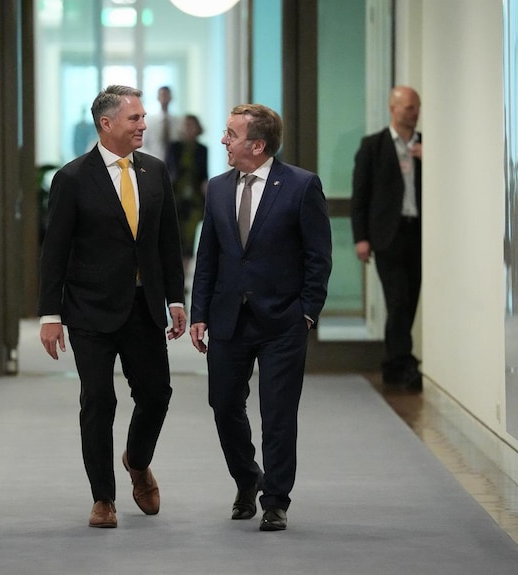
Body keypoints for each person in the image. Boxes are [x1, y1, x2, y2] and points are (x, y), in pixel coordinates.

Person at [38, 85, 187, 529]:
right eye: (134, 119)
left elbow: (167, 243)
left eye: (142, 118)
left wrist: (176, 299)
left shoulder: (156, 172)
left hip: (144, 307)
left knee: (157, 394)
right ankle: (104, 498)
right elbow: (54, 252)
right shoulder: (71, 179)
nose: (143, 125)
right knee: (99, 401)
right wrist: (50, 315)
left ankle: (137, 461)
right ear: (106, 124)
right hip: (89, 310)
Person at [189, 104, 332, 531]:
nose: (223, 141)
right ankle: (247, 478)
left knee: (278, 412)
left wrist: (307, 313)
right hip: (229, 318)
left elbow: (317, 257)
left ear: (258, 144)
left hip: (282, 321)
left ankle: (275, 499)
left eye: (230, 134)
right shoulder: (216, 189)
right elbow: (208, 257)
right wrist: (199, 313)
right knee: (224, 405)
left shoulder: (302, 186)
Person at [351, 85, 423, 392]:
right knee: (397, 300)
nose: (415, 113)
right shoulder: (373, 146)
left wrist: (429, 160)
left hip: (418, 233)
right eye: (408, 107)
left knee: (411, 300)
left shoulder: (425, 146)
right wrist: (361, 238)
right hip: (387, 236)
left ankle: (395, 363)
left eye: (417, 107)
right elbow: (361, 195)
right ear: (393, 109)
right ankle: (403, 361)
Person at [166, 114, 209, 260]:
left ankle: (185, 270)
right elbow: (169, 169)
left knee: (190, 235)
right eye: (186, 125)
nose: (188, 128)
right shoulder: (175, 147)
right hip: (176, 195)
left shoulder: (202, 149)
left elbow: (204, 174)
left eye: (191, 125)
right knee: (177, 235)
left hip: (195, 198)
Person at [141, 86, 182, 159]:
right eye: (162, 95)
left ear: (171, 97)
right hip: (154, 160)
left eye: (167, 95)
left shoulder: (178, 122)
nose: (164, 98)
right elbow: (143, 144)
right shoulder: (150, 121)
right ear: (158, 97)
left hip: (173, 164)